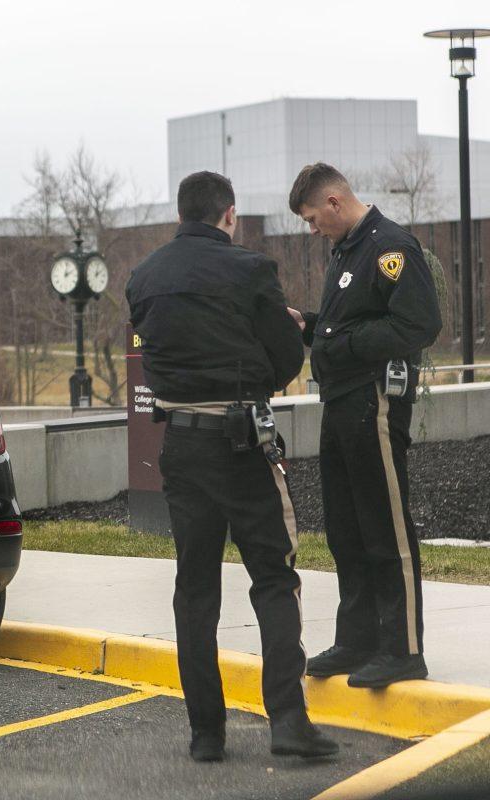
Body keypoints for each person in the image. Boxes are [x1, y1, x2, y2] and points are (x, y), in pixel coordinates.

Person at [127, 171, 337, 762]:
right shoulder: (250, 270)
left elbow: (156, 354)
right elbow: (287, 353)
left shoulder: (144, 276)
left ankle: (206, 734)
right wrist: (260, 382)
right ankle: (289, 723)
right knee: (274, 576)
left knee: (195, 589)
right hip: (241, 442)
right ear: (229, 216)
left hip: (181, 449)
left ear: (181, 214)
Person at [286, 163, 441, 688]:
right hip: (340, 403)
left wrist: (343, 347)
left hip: (373, 402)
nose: (312, 229)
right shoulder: (347, 252)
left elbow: (419, 323)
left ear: (332, 203)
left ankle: (402, 649)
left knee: (384, 527)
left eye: (312, 218)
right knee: (346, 528)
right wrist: (309, 325)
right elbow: (344, 325)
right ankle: (357, 641)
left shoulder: (391, 247)